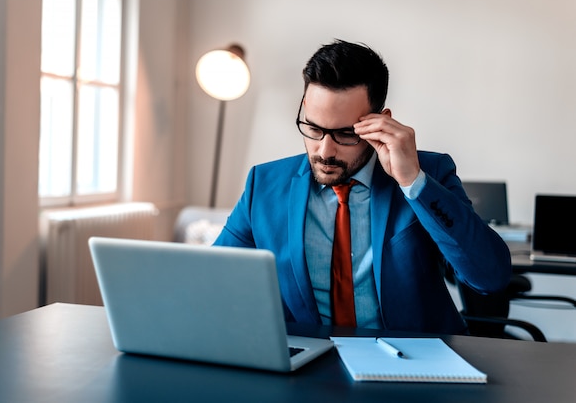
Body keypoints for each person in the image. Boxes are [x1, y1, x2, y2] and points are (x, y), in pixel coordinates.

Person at [213, 39, 511, 334]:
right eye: (314, 128)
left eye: (345, 133)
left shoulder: (429, 172)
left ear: (380, 123)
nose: (325, 151)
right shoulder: (264, 185)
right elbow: (214, 277)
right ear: (304, 108)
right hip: (309, 365)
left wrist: (413, 182)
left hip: (412, 363)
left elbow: (489, 276)